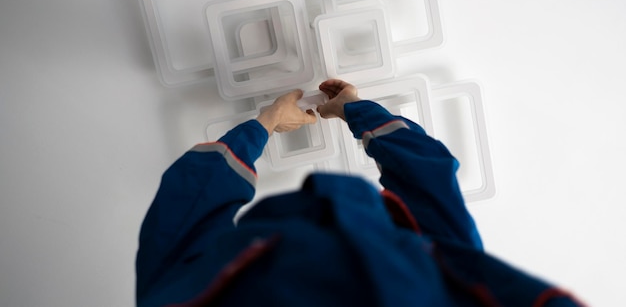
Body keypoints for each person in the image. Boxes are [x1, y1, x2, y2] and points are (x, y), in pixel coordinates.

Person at [136, 79, 584, 306]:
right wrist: (355, 109)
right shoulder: (449, 265)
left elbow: (186, 204)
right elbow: (431, 181)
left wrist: (269, 122)